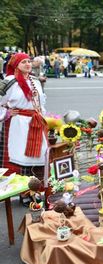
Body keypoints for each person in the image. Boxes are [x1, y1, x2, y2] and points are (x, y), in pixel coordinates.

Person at [0, 52, 48, 205]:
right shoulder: (9, 81)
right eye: (23, 62)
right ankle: (24, 193)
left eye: (29, 61)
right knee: (20, 159)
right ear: (15, 65)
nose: (27, 64)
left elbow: (40, 103)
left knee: (37, 158)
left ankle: (34, 190)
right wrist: (6, 112)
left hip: (36, 122)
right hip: (18, 124)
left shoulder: (35, 80)